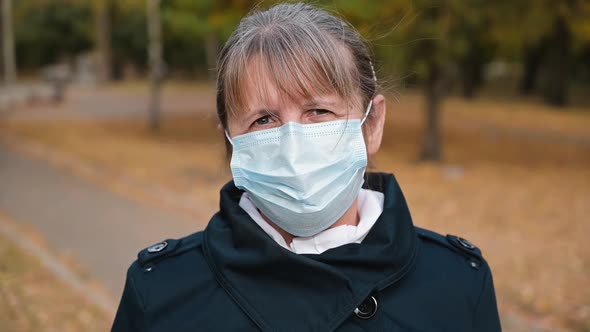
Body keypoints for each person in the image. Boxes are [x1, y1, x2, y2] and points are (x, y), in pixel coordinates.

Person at [111, 2, 501, 331]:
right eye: (263, 119)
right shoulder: (161, 294)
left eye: (319, 110)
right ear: (230, 140)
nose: (292, 144)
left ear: (373, 123)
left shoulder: (458, 286)